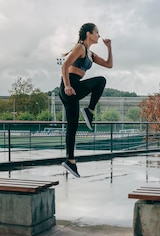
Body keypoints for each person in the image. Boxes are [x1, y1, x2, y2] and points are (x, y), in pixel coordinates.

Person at [59, 23, 113, 178]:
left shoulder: (90, 54)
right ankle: (89, 111)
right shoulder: (80, 47)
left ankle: (70, 160)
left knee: (73, 126)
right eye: (97, 32)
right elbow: (64, 66)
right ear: (89, 34)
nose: (99, 35)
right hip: (70, 85)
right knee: (100, 81)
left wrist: (109, 47)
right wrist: (68, 85)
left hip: (73, 87)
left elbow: (109, 65)